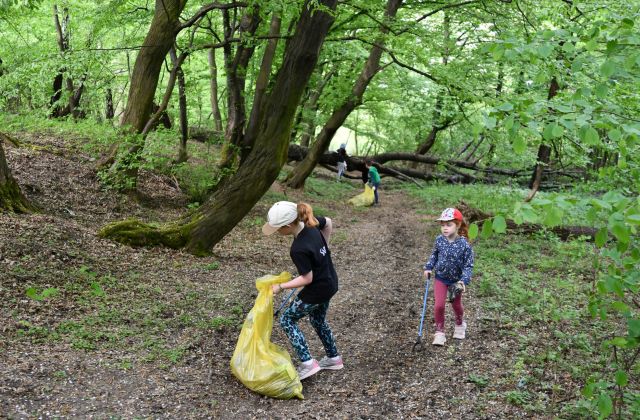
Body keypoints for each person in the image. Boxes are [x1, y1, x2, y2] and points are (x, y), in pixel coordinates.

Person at [262, 201, 343, 379]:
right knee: (318, 320)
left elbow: (307, 278)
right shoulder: (311, 223)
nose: (276, 232)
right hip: (330, 282)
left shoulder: (297, 249)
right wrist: (325, 247)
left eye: (277, 229)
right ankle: (334, 358)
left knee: (287, 319)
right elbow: (328, 222)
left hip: (316, 290)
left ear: (288, 226)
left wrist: (280, 287)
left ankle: (308, 363)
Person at [423, 208, 474, 346]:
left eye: (449, 224)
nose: (445, 228)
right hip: (440, 278)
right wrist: (428, 267)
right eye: (442, 225)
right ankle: (440, 332)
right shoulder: (439, 240)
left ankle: (459, 324)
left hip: (455, 281)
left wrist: (463, 280)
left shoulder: (464, 245)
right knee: (439, 305)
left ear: (457, 225)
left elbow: (468, 265)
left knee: (456, 305)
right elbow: (434, 255)